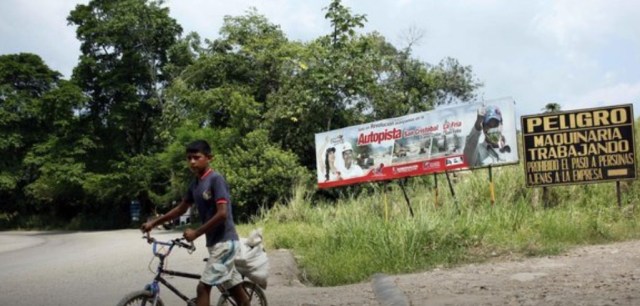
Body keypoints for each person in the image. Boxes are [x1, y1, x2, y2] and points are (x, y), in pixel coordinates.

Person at [141, 140, 250, 306]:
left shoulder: (215, 179)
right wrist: (153, 223)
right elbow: (180, 209)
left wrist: (196, 233)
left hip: (225, 243)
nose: (192, 161)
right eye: (189, 158)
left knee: (202, 288)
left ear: (209, 158)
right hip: (216, 243)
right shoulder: (194, 185)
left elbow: (222, 214)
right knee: (233, 286)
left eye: (196, 157)